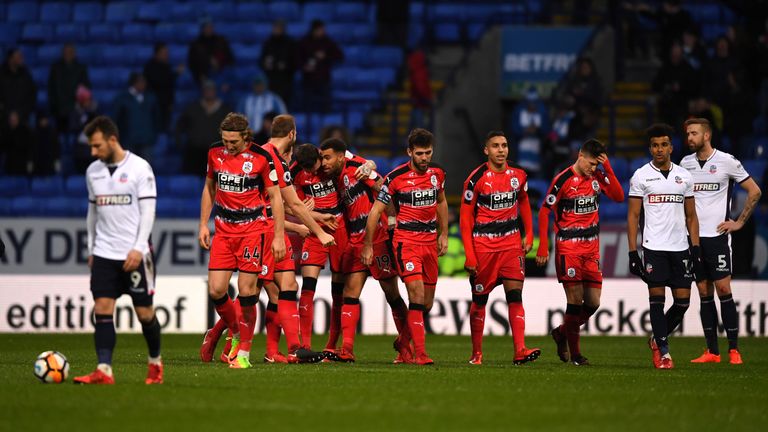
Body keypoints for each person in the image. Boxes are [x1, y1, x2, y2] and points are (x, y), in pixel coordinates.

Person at [199, 114, 334, 367]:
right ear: (292, 135)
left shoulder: (264, 155)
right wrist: (314, 229)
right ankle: (236, 338)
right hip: (253, 231)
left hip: (259, 231)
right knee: (256, 289)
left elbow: (280, 202)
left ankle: (271, 349)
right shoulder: (271, 158)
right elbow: (289, 203)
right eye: (225, 141)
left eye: (233, 141)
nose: (228, 146)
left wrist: (309, 223)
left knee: (268, 288)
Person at [73, 116, 162, 384]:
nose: (93, 152)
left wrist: (138, 248)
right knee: (101, 308)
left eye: (97, 146)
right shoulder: (93, 171)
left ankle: (155, 364)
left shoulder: (140, 168)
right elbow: (92, 212)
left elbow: (148, 212)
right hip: (103, 252)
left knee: (144, 313)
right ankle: (104, 370)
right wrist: (91, 248)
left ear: (113, 140)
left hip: (134, 254)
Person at [320, 138, 413, 363]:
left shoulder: (357, 170)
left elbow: (383, 188)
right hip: (355, 241)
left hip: (377, 237)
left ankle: (407, 347)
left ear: (341, 156)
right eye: (322, 157)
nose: (324, 162)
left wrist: (391, 219)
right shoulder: (334, 178)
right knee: (350, 294)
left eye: (327, 157)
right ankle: (347, 350)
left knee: (391, 294)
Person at [680, 118, 762, 364]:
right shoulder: (685, 164)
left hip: (717, 237)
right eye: (688, 134)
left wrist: (738, 222)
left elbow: (755, 191)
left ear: (707, 135)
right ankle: (712, 352)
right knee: (704, 292)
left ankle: (734, 350)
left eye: (694, 133)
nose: (689, 138)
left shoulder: (727, 161)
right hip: (694, 239)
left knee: (724, 290)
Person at [363, 128, 448, 365]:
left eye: (428, 152)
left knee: (426, 303)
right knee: (417, 295)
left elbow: (440, 202)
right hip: (406, 242)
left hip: (429, 242)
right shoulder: (395, 178)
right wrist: (368, 245)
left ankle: (403, 341)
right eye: (419, 153)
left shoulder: (438, 174)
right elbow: (375, 212)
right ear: (409, 152)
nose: (424, 158)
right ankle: (420, 353)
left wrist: (443, 234)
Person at [536, 139, 624, 365]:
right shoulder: (563, 179)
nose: (593, 168)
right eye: (591, 164)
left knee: (593, 303)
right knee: (574, 301)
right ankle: (576, 355)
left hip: (591, 248)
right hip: (569, 248)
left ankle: (561, 332)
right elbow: (545, 211)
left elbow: (618, 196)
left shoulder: (597, 177)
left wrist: (608, 169)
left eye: (597, 165)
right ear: (580, 156)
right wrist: (544, 246)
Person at [459, 131, 540, 365]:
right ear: (486, 150)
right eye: (495, 146)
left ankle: (520, 350)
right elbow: (466, 220)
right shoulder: (475, 180)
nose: (501, 150)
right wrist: (470, 254)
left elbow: (523, 201)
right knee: (480, 301)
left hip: (511, 244)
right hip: (484, 246)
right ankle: (476, 353)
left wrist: (529, 233)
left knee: (515, 296)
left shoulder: (519, 175)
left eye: (504, 145)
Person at [627, 123, 702, 370]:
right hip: (654, 247)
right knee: (656, 300)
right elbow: (633, 217)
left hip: (680, 247)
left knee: (683, 303)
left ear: (671, 147)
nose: (660, 150)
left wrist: (696, 247)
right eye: (655, 146)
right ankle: (664, 352)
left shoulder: (685, 177)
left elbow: (691, 216)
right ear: (650, 149)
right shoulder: (640, 176)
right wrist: (632, 252)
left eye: (664, 145)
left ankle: (656, 338)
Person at [290, 143, 376, 353]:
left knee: (338, 292)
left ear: (321, 157)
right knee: (308, 288)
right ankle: (305, 346)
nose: (311, 171)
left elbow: (363, 163)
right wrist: (304, 209)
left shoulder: (331, 164)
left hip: (340, 228)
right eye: (307, 169)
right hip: (314, 230)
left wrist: (371, 164)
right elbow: (282, 199)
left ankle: (331, 345)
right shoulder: (295, 170)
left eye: (314, 166)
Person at [176, 80, 232, 174]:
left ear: (215, 91)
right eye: (206, 90)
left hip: (217, 154)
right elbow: (179, 126)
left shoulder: (225, 110)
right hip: (194, 153)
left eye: (211, 90)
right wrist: (179, 142)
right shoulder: (192, 108)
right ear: (202, 91)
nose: (209, 92)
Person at [296, 20, 344, 113]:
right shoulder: (304, 42)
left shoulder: (328, 42)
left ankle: (327, 123)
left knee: (326, 105)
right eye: (320, 29)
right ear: (314, 30)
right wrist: (304, 66)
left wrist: (326, 56)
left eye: (323, 29)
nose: (323, 31)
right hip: (308, 79)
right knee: (307, 105)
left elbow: (339, 56)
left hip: (324, 79)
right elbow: (296, 59)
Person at [111, 73, 160, 160]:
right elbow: (115, 118)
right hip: (128, 140)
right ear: (134, 83)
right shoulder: (122, 99)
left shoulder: (150, 98)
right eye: (141, 82)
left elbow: (156, 117)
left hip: (146, 140)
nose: (144, 84)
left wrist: (153, 134)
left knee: (145, 169)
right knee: (129, 168)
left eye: (144, 82)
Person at [48, 44, 90, 134]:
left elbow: (85, 88)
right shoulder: (56, 68)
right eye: (66, 52)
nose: (68, 54)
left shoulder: (80, 69)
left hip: (76, 109)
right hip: (59, 109)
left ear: (74, 54)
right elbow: (52, 89)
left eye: (70, 52)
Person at [144, 43, 182, 131]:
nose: (166, 55)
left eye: (167, 53)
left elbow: (169, 86)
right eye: (163, 53)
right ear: (157, 54)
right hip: (154, 104)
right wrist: (175, 74)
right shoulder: (150, 67)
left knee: (165, 128)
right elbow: (160, 81)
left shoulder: (167, 66)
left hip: (166, 104)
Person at [259, 20, 297, 106]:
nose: (276, 30)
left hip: (286, 80)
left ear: (283, 29)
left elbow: (295, 62)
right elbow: (261, 61)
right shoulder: (268, 43)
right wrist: (265, 65)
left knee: (284, 105)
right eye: (275, 28)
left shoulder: (290, 43)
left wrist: (286, 66)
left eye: (279, 28)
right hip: (271, 80)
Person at [187, 20, 234, 85]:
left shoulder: (222, 41)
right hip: (203, 76)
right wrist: (200, 76)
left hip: (221, 75)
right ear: (202, 29)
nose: (208, 29)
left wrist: (226, 80)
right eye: (206, 27)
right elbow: (192, 64)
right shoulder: (195, 45)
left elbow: (230, 60)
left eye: (210, 27)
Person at [0, 48, 37, 126]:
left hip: (23, 116)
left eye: (21, 56)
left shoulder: (26, 74)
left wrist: (20, 113)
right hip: (4, 117)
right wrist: (9, 114)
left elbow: (32, 95)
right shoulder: (2, 75)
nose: (21, 59)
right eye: (18, 57)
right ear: (10, 59)